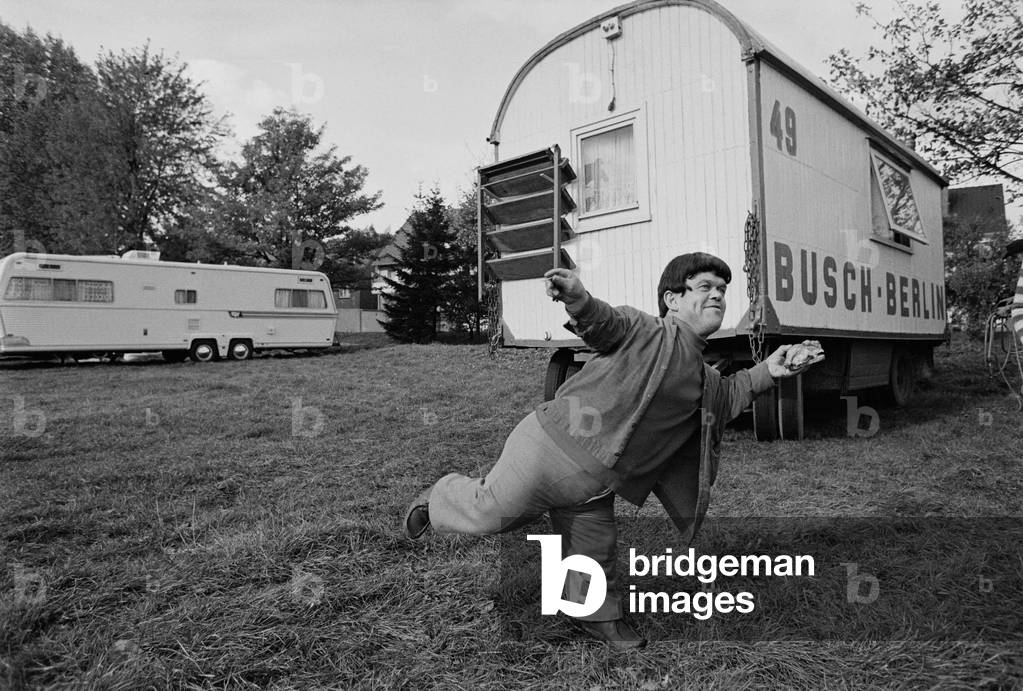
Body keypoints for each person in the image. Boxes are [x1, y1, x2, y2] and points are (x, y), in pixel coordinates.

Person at [402, 253, 819, 651]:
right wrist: (578, 299)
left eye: (723, 290)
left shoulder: (703, 376)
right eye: (705, 286)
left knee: (593, 550)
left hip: (597, 487)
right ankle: (440, 495)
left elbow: (729, 395)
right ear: (672, 300)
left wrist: (771, 369)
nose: (717, 296)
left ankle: (595, 616)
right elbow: (604, 324)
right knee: (490, 512)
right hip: (548, 450)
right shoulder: (642, 329)